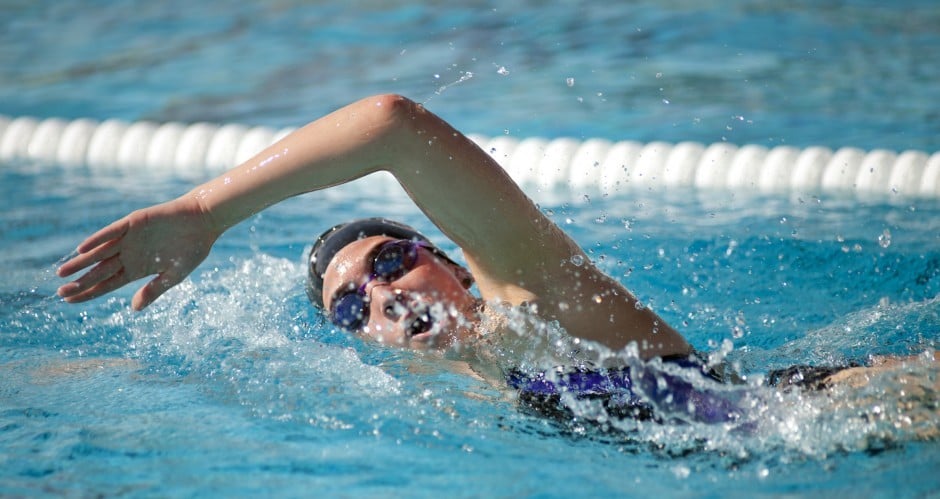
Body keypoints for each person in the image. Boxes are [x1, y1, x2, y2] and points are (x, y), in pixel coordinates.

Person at [56, 94, 937, 424]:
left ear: (450, 258)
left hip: (864, 407)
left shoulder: (535, 296)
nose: (384, 298)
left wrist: (207, 209)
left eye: (392, 261)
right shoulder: (469, 400)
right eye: (351, 308)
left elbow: (392, 127)